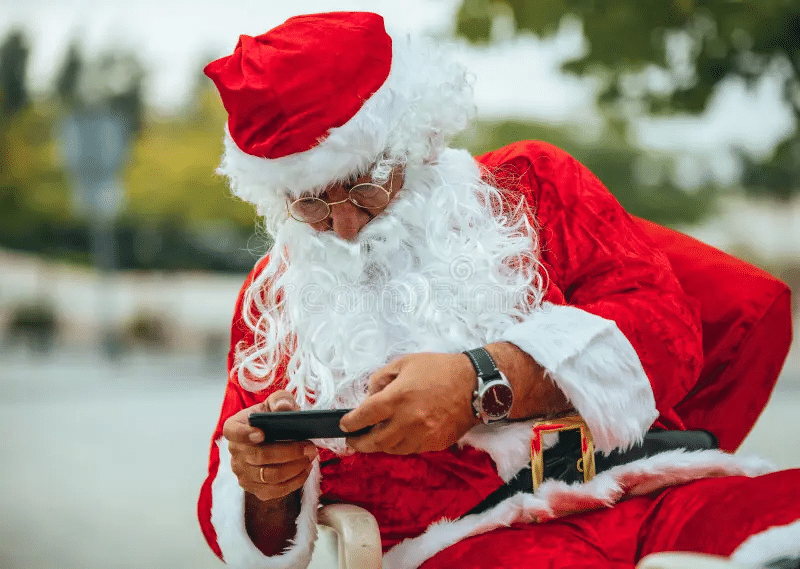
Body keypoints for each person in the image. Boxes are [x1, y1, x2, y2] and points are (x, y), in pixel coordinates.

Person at [197, 11, 800, 569]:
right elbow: (247, 533)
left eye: (365, 186)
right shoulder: (274, 298)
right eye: (309, 203)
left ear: (413, 142)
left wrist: (482, 381)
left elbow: (665, 331)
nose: (346, 225)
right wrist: (265, 486)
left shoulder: (533, 184)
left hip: (650, 487)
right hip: (466, 542)